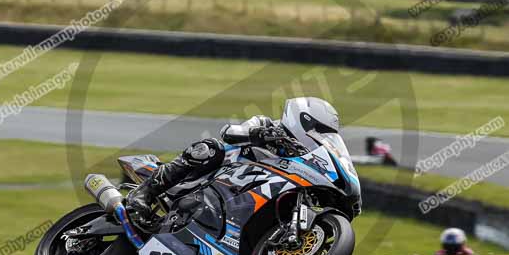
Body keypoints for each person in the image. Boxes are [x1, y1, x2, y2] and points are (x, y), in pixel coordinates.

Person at [126, 96, 356, 229]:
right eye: (318, 129)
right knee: (209, 148)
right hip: (211, 178)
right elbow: (229, 133)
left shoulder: (304, 156)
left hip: (239, 200)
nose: (319, 135)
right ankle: (144, 193)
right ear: (305, 119)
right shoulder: (267, 124)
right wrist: (258, 134)